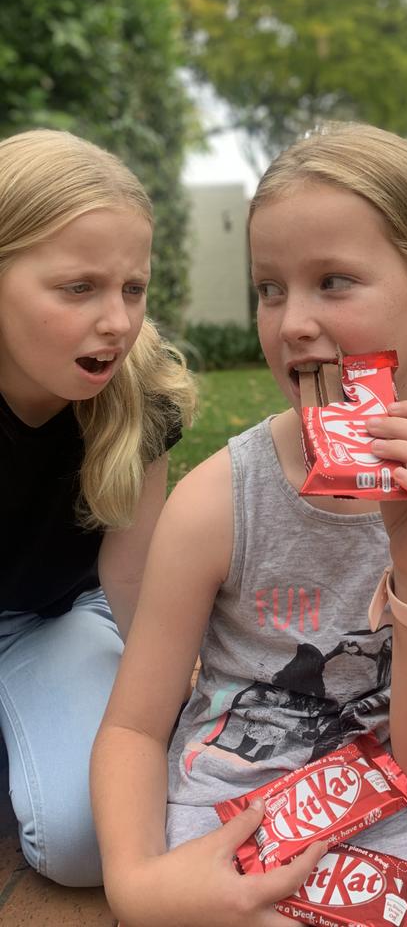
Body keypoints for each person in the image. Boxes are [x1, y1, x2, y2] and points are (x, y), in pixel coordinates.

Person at [91, 123, 407, 927]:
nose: (294, 321)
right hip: (242, 812)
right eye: (272, 288)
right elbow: (134, 724)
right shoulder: (217, 500)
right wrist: (136, 884)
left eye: (334, 282)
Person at [0, 129, 196, 887]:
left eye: (132, 289)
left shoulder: (138, 399)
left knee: (91, 839)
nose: (117, 321)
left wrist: (180, 709)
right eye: (78, 287)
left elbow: (135, 586)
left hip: (51, 624)